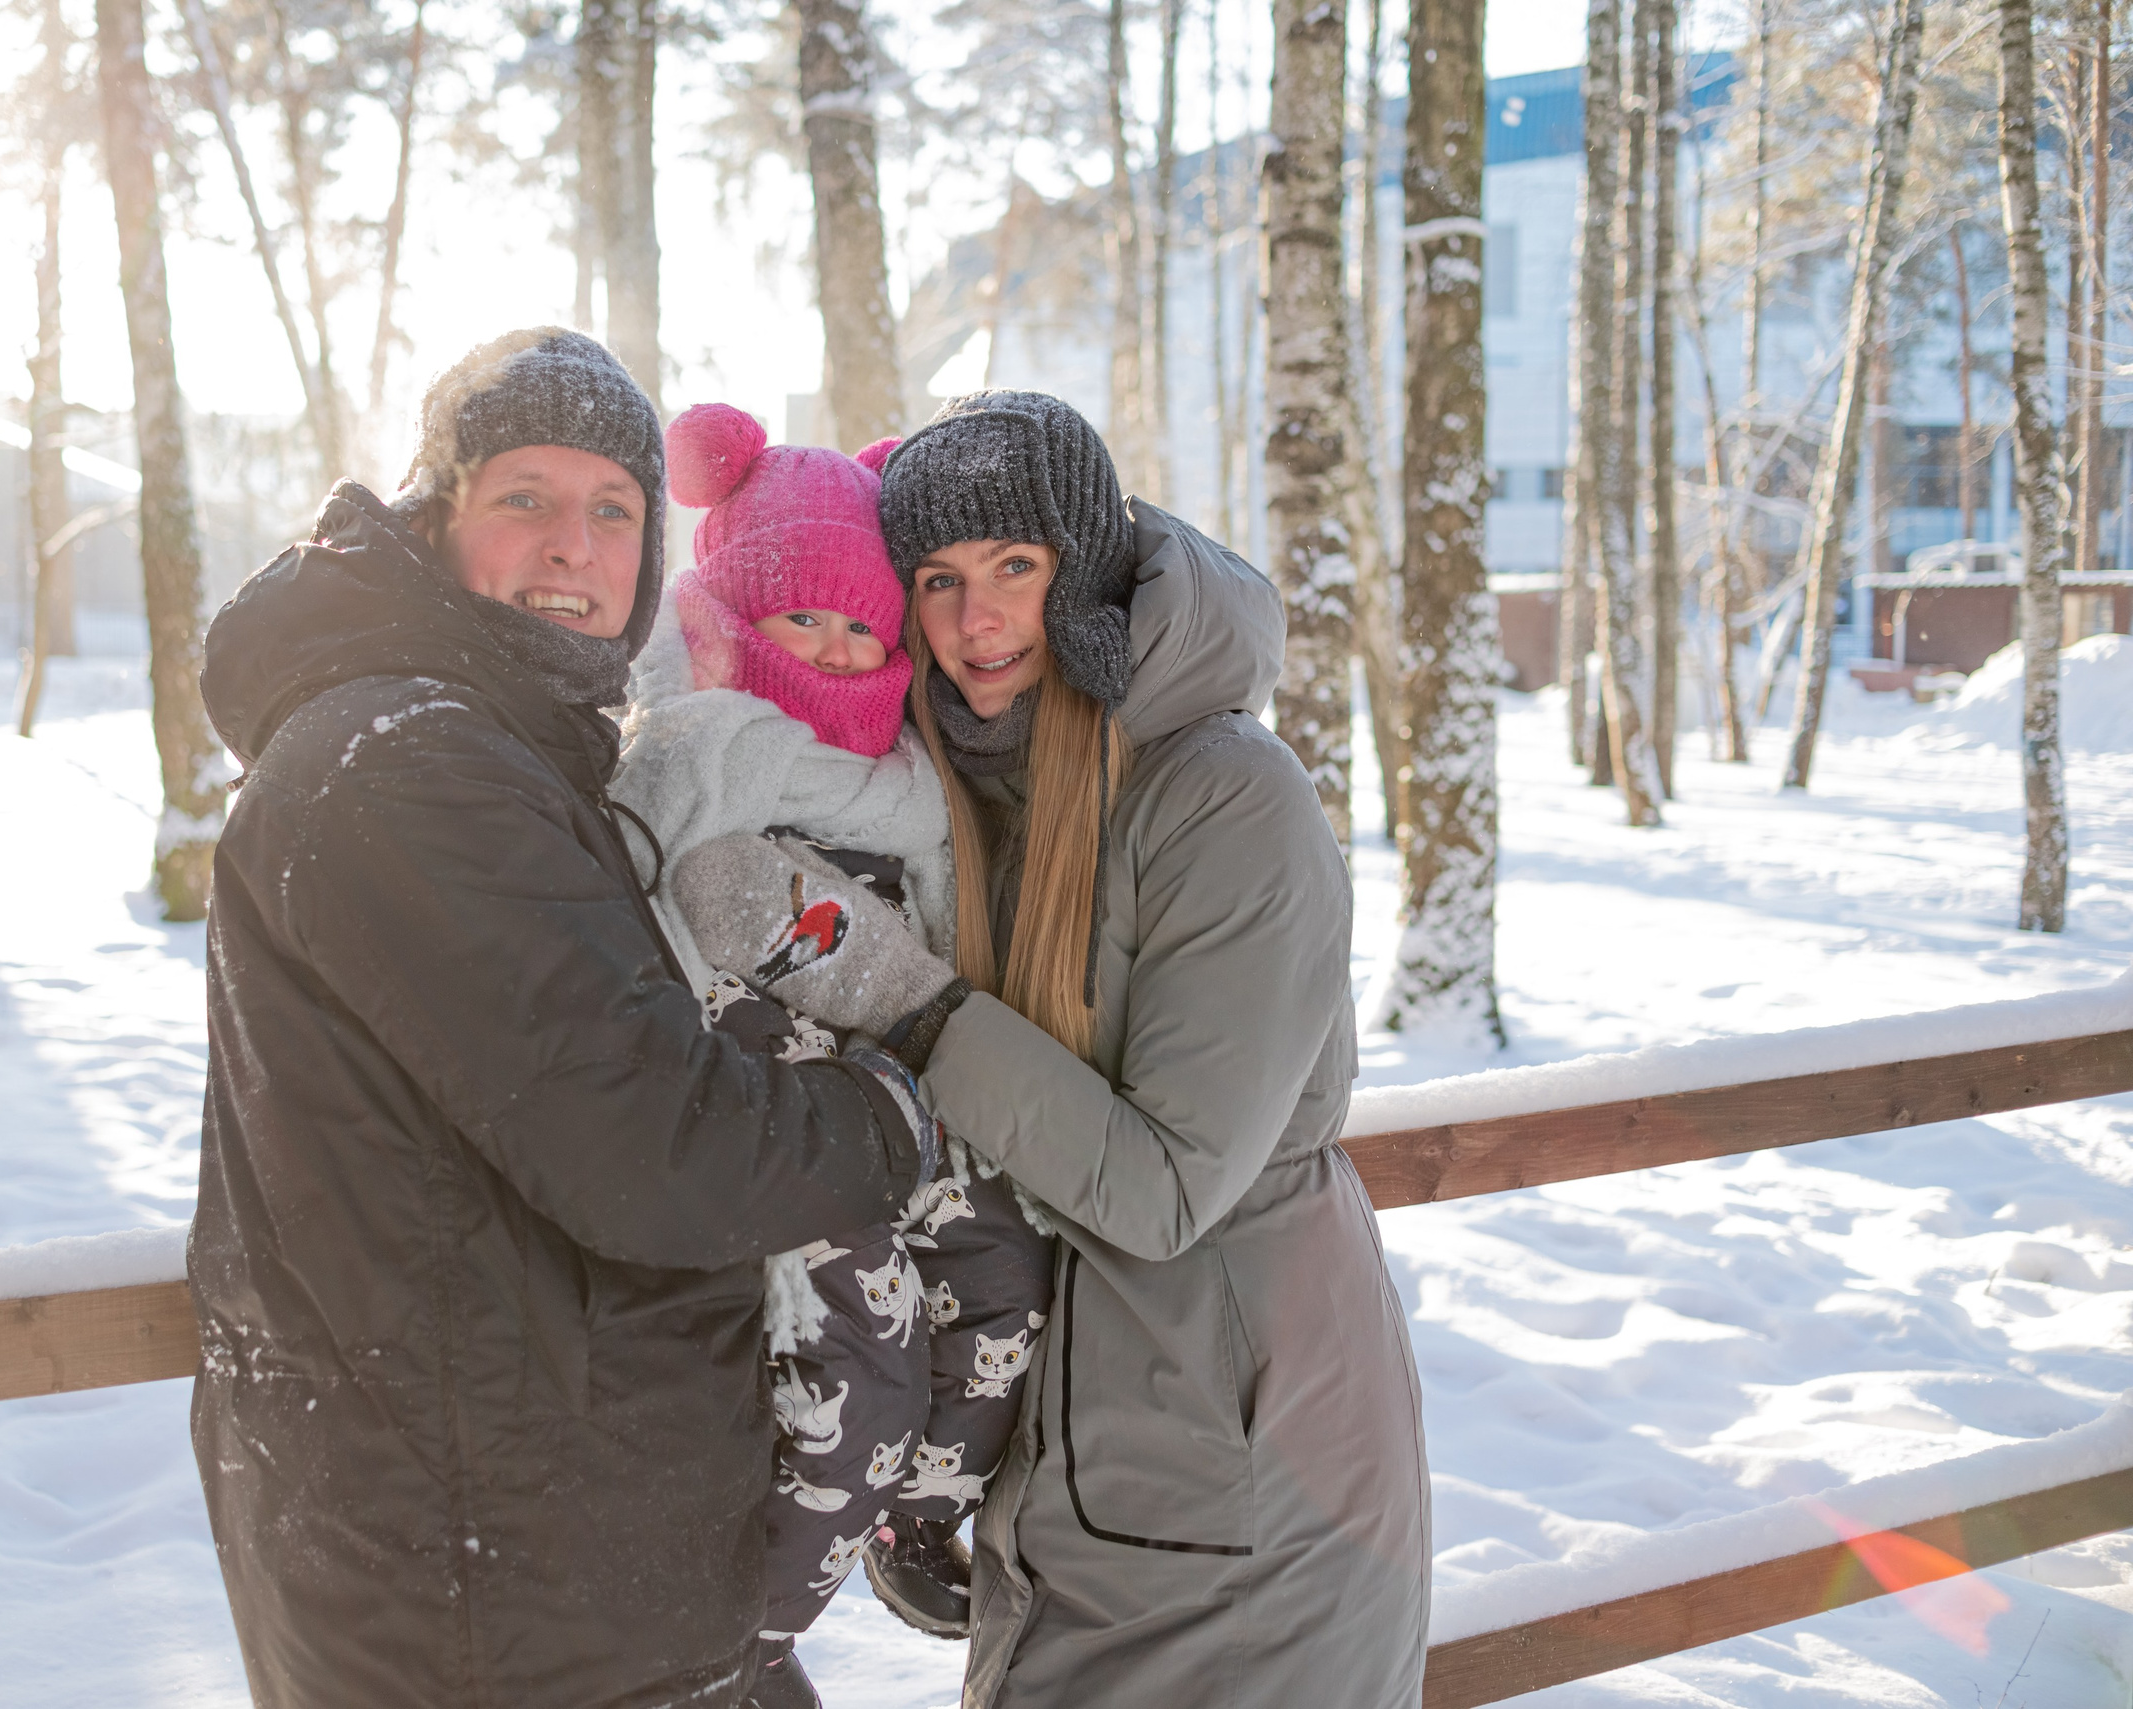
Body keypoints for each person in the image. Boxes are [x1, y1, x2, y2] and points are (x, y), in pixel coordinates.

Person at [186, 328, 951, 1709]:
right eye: (523, 497)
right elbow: (656, 1140)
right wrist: (890, 1113)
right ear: (435, 519)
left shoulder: (479, 742)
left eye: (614, 510)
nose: (573, 546)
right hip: (498, 1599)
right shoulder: (409, 765)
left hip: (546, 1554)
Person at [683, 390, 1431, 1706]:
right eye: (940, 578)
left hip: (1247, 1476)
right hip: (1074, 1464)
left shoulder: (1225, 795)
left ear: (1082, 566)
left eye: (1017, 568)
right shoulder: (971, 783)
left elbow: (1160, 1189)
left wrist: (897, 990)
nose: (979, 620)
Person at [612, 404, 1053, 1705]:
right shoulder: (693, 746)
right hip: (767, 1132)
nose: (839, 649)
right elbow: (658, 909)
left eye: (865, 625)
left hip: (897, 1111)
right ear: (737, 610)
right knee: (867, 1353)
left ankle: (916, 1520)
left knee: (1009, 1270)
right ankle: (732, 1649)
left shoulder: (908, 781)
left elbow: (937, 943)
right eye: (805, 617)